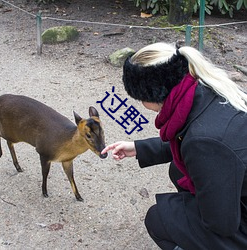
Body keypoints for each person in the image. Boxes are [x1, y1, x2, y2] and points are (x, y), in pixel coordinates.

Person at [101, 42, 247, 250]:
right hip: (238, 186)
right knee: (178, 170)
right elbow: (190, 138)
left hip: (238, 222)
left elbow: (222, 224)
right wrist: (139, 148)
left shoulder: (204, 142)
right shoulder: (206, 88)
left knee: (159, 218)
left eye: (140, 98)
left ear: (153, 94)